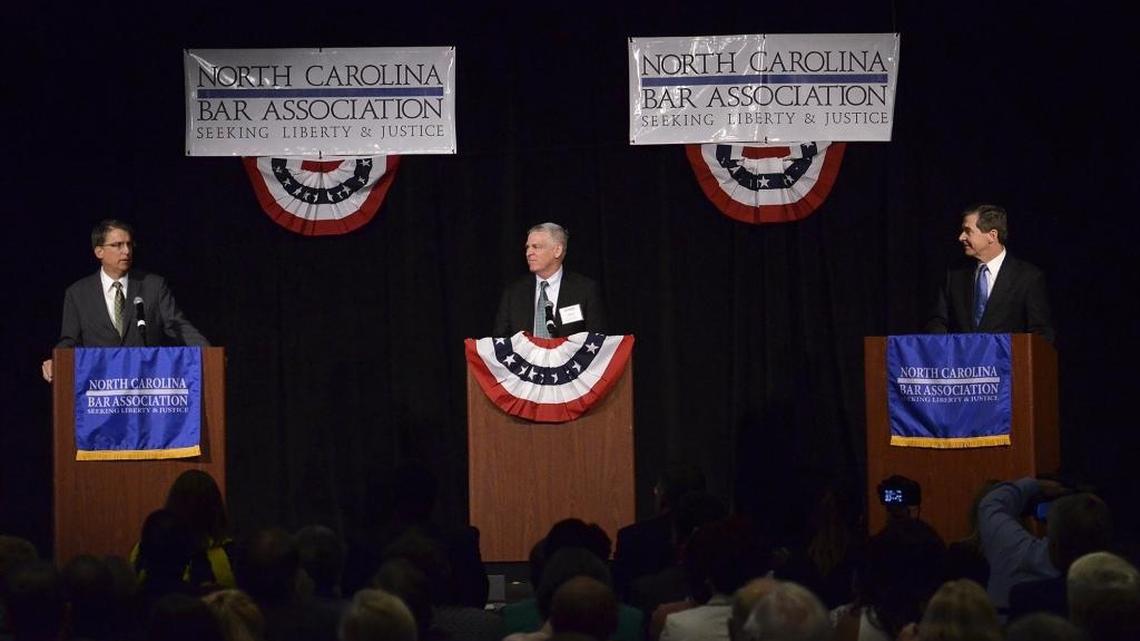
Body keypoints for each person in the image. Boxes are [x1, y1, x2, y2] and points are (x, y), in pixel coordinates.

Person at [41, 219, 209, 382]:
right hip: (100, 385)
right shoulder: (78, 293)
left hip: (145, 384)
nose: (126, 251)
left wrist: (209, 354)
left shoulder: (153, 286)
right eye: (118, 245)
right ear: (99, 252)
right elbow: (69, 340)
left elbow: (178, 326)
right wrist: (57, 360)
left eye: (129, 244)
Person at [925, 204, 1054, 342]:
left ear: (992, 236)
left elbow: (1041, 334)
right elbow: (938, 322)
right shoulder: (954, 274)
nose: (961, 237)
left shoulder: (1028, 277)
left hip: (1005, 356)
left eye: (968, 231)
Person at [493, 222, 607, 337]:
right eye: (527, 247)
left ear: (557, 251)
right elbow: (500, 340)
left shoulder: (585, 290)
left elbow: (597, 340)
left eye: (536, 247)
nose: (528, 253)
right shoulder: (513, 292)